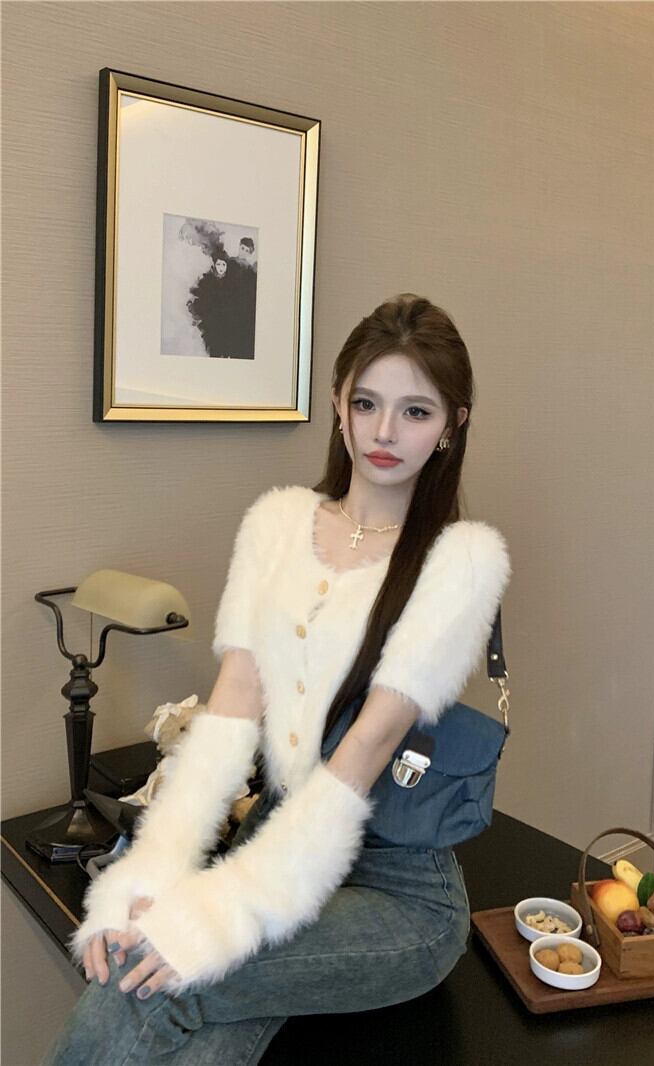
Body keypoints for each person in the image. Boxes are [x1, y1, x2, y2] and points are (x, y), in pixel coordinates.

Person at [44, 293, 512, 1065]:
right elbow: (233, 706)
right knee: (155, 973)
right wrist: (152, 870)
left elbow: (365, 751)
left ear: (452, 425)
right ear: (337, 402)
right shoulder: (279, 524)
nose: (384, 432)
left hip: (398, 894)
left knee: (156, 980)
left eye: (415, 412)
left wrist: (226, 911)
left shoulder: (460, 563)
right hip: (271, 839)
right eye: (367, 403)